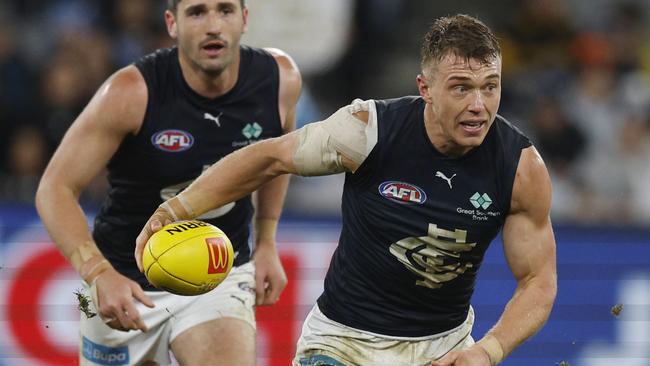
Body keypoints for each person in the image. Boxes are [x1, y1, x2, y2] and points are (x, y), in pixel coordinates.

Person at [135, 14, 557, 366]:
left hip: (444, 349)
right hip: (343, 345)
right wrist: (175, 209)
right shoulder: (368, 131)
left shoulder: (520, 167)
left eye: (490, 86)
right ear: (425, 88)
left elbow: (538, 279)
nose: (479, 105)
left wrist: (488, 351)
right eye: (462, 87)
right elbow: (268, 158)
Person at [35, 0, 301, 364]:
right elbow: (54, 189)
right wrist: (98, 274)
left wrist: (267, 240)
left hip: (217, 270)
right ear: (172, 24)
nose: (213, 25)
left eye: (225, 10)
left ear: (244, 19)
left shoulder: (280, 79)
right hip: (126, 282)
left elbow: (275, 158)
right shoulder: (130, 92)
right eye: (196, 12)